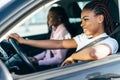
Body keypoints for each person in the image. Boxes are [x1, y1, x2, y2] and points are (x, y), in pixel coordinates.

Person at [7, 1, 118, 67]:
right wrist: (24, 41)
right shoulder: (83, 37)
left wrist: (73, 56)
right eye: (81, 20)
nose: (82, 24)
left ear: (100, 18)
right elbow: (58, 44)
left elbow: (94, 53)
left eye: (86, 19)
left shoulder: (111, 42)